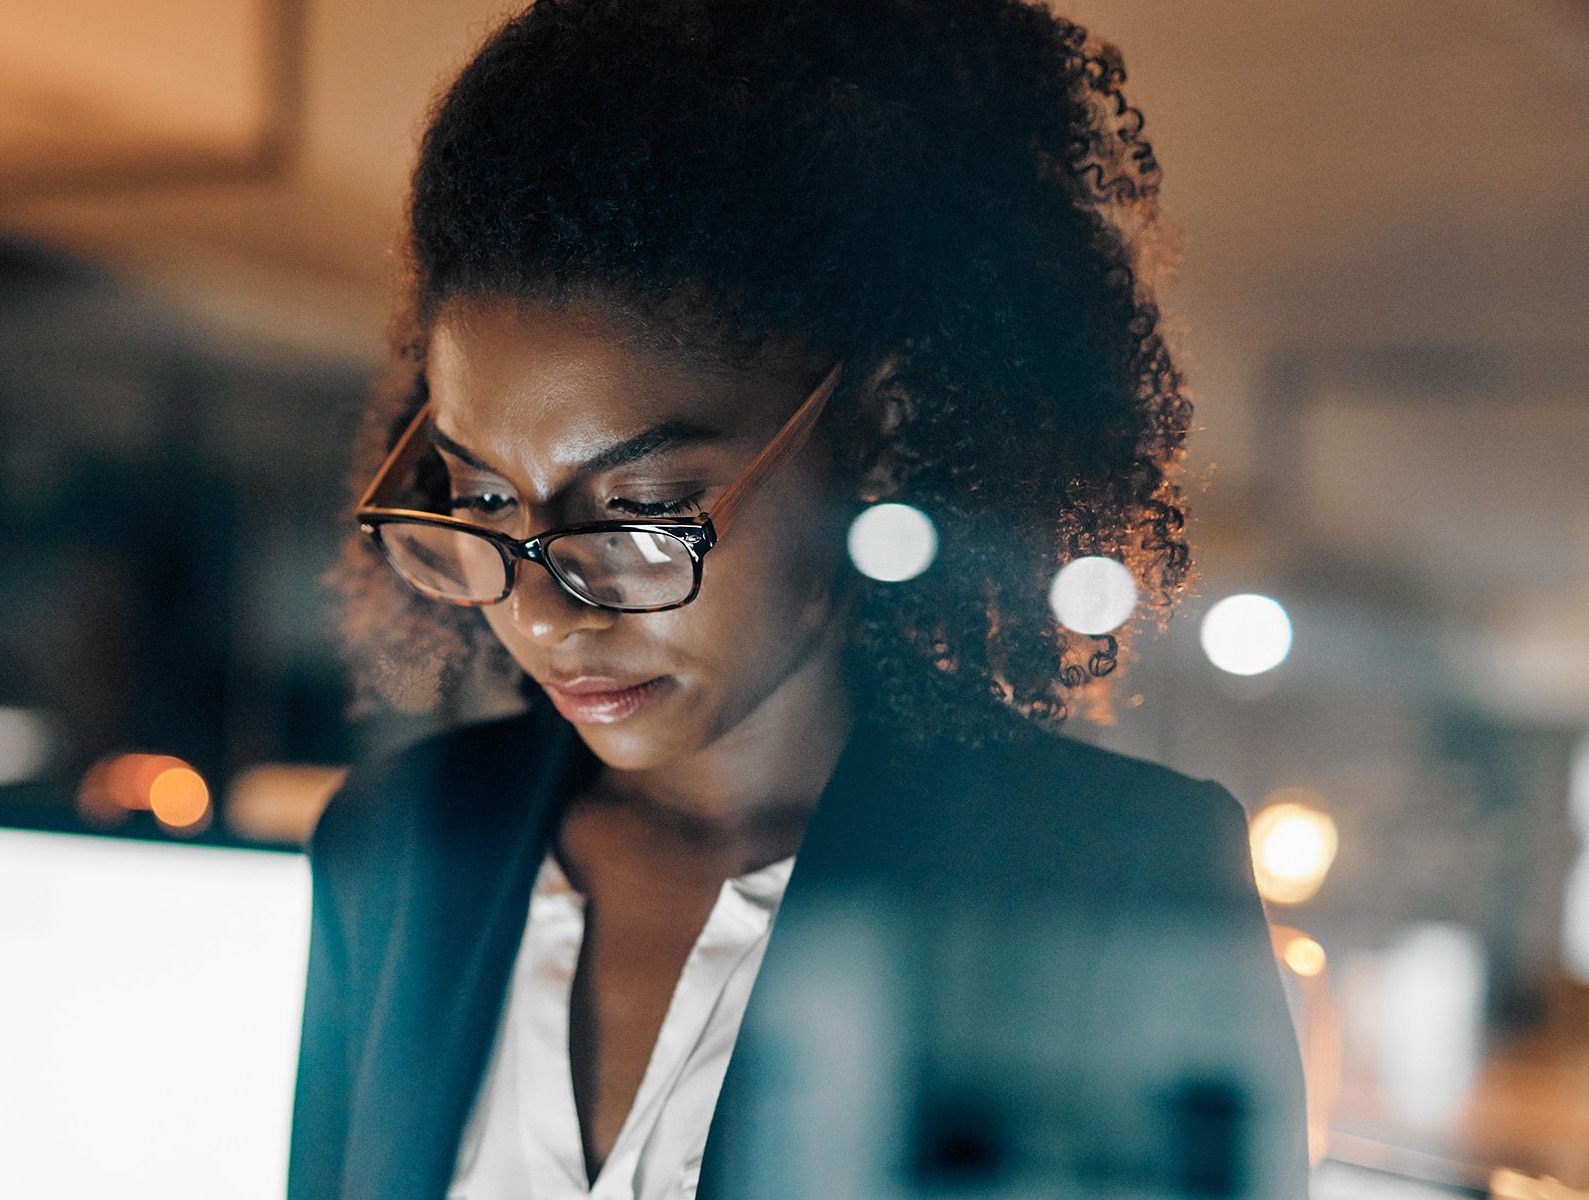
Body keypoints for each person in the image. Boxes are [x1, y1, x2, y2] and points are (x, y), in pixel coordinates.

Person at [290, 1, 1309, 1197]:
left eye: (636, 510)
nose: (549, 613)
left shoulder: (1106, 889)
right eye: (485, 499)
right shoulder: (402, 847)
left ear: (874, 431)